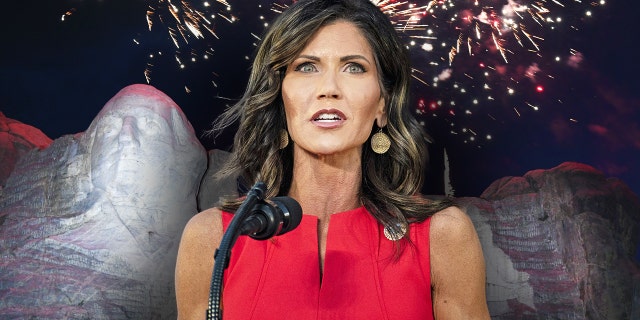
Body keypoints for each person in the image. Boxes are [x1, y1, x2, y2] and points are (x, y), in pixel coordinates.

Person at [175, 0, 490, 318]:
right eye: (306, 67)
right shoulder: (212, 236)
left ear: (382, 104)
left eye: (354, 67)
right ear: (279, 98)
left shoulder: (443, 235)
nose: (329, 88)